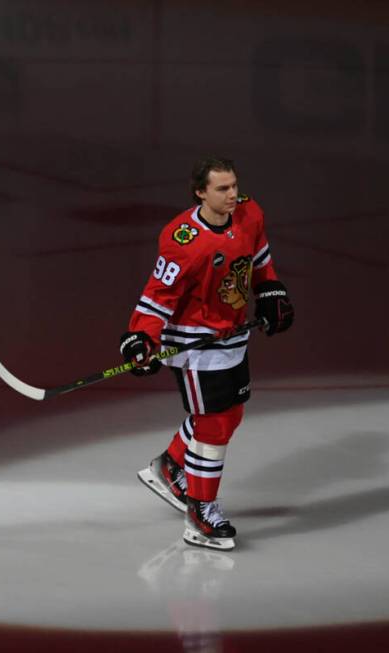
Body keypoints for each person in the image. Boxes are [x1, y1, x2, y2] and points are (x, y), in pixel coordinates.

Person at [121, 156, 294, 550]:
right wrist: (140, 339)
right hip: (193, 344)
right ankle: (201, 512)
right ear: (200, 192)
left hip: (231, 335)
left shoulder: (249, 213)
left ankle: (169, 467)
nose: (233, 194)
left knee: (231, 415)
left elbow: (260, 260)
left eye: (234, 185)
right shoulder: (183, 241)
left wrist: (270, 290)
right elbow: (156, 298)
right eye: (222, 188)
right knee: (213, 426)